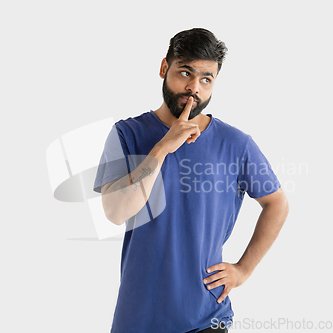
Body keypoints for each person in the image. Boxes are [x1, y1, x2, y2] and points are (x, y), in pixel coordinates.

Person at [93, 27, 289, 333]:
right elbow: (115, 213)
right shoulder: (126, 135)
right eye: (185, 72)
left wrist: (243, 270)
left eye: (206, 79)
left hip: (205, 319)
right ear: (164, 68)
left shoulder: (236, 144)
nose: (194, 87)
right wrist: (162, 148)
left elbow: (276, 203)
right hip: (137, 320)